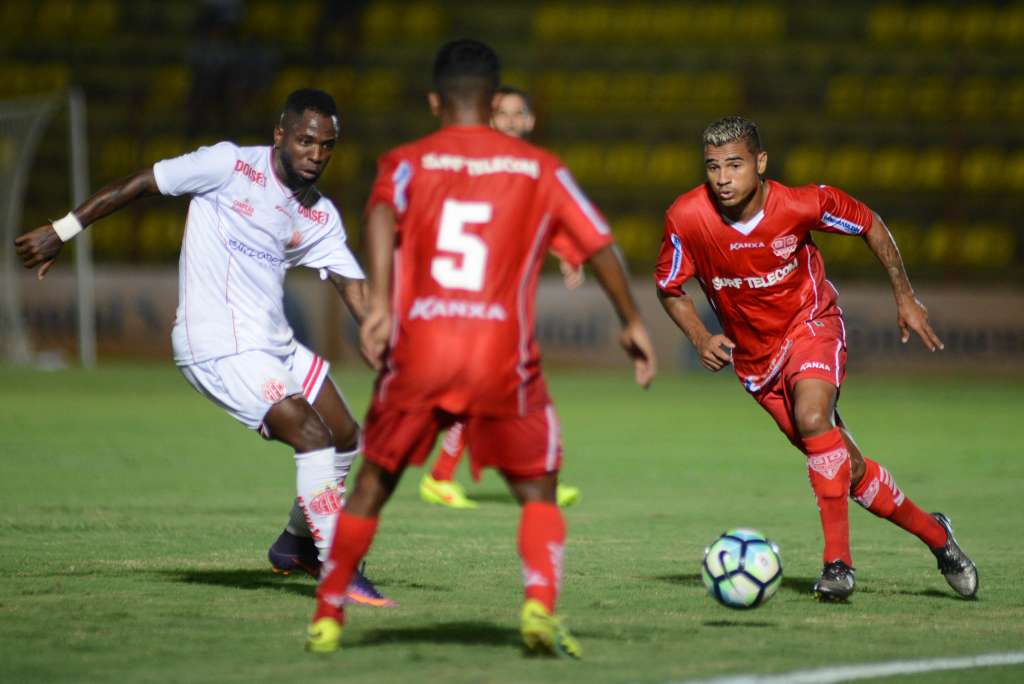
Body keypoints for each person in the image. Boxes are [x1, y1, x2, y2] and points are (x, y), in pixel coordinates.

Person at [305, 39, 656, 657]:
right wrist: (630, 320)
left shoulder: (406, 160)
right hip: (502, 354)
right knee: (538, 489)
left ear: (435, 100)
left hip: (420, 349)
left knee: (373, 484)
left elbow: (381, 215)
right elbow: (600, 244)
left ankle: (329, 613)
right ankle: (538, 608)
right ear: (495, 103)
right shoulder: (538, 168)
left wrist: (382, 302)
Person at [14, 88, 393, 607]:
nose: (316, 154)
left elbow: (353, 288)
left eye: (327, 146)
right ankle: (337, 569)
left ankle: (296, 545)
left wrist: (382, 339)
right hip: (215, 343)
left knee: (347, 436)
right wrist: (63, 229)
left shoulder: (317, 213)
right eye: (306, 141)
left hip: (273, 342)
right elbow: (141, 183)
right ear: (280, 134)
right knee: (311, 435)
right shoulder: (227, 165)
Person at [655, 116, 978, 601]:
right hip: (757, 363)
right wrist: (701, 336)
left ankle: (838, 566)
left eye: (735, 165)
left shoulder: (802, 203)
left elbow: (868, 221)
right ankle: (938, 536)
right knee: (843, 467)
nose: (723, 178)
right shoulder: (687, 216)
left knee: (812, 416)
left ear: (760, 164)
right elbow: (669, 286)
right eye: (713, 167)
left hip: (812, 325)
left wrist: (905, 295)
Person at [420, 84, 582, 511]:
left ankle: (531, 477)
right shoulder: (478, 168)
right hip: (470, 302)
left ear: (530, 121)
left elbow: (545, 221)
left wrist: (568, 254)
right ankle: (443, 475)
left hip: (502, 305)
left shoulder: (528, 172)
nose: (510, 120)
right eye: (502, 113)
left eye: (517, 113)